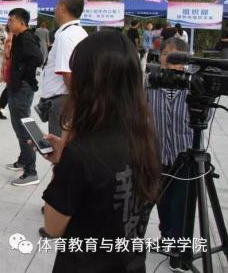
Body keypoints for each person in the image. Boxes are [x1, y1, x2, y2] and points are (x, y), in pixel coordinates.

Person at [38, 30, 161, 273]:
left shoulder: (81, 154)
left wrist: (63, 160)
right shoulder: (146, 139)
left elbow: (52, 227)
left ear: (89, 82)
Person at [146, 37, 193, 272]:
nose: (169, 60)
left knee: (182, 205)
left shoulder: (195, 87)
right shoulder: (150, 84)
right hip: (157, 155)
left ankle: (180, 251)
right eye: (166, 54)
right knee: (161, 201)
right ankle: (166, 237)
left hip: (186, 157)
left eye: (176, 56)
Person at [40, 0, 87, 137]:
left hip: (62, 102)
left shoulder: (65, 36)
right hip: (69, 99)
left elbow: (67, 73)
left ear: (62, 7)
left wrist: (76, 102)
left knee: (59, 145)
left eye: (56, 5)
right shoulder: (81, 32)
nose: (54, 9)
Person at [5, 8, 43, 186]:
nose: (9, 23)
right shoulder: (19, 37)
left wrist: (22, 76)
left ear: (21, 22)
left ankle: (31, 172)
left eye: (11, 20)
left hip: (22, 88)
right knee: (19, 126)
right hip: (17, 86)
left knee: (24, 129)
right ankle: (23, 160)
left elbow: (38, 58)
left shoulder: (27, 38)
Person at [0, 25, 12, 120]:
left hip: (10, 68)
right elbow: (8, 54)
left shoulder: (11, 37)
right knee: (9, 89)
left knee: (8, 89)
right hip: (11, 68)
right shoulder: (11, 38)